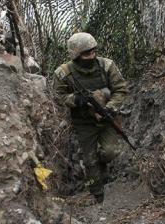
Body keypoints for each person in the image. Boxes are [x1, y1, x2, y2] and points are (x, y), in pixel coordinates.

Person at [53, 32, 128, 200]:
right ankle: (97, 193)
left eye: (93, 51)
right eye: (87, 53)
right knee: (89, 160)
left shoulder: (107, 66)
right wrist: (75, 99)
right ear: (75, 55)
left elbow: (121, 89)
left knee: (111, 152)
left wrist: (110, 108)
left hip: (107, 118)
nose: (92, 55)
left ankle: (104, 168)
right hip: (83, 122)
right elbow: (57, 96)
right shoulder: (63, 73)